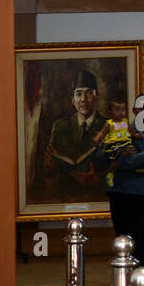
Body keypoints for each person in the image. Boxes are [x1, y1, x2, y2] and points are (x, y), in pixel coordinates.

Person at [105, 92, 144, 267]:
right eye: (142, 107)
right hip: (117, 190)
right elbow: (102, 153)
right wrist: (118, 156)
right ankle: (122, 275)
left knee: (136, 234)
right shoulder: (117, 129)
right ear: (134, 110)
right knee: (120, 236)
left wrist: (118, 163)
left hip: (139, 191)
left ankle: (139, 275)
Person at [44, 68, 108, 197]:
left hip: (98, 196)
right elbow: (47, 171)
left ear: (97, 99)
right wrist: (50, 165)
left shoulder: (109, 127)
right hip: (66, 196)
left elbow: (119, 169)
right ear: (73, 100)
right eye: (78, 94)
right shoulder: (60, 126)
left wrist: (97, 180)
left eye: (89, 93)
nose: (83, 99)